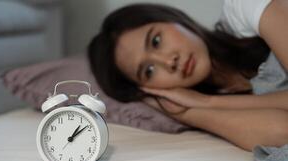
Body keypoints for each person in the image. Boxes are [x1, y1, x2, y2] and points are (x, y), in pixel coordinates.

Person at [88, 0, 288, 151]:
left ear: (171, 19)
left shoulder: (245, 7)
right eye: (149, 71)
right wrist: (186, 112)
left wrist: (207, 102)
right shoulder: (213, 97)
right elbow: (282, 132)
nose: (168, 62)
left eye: (156, 41)